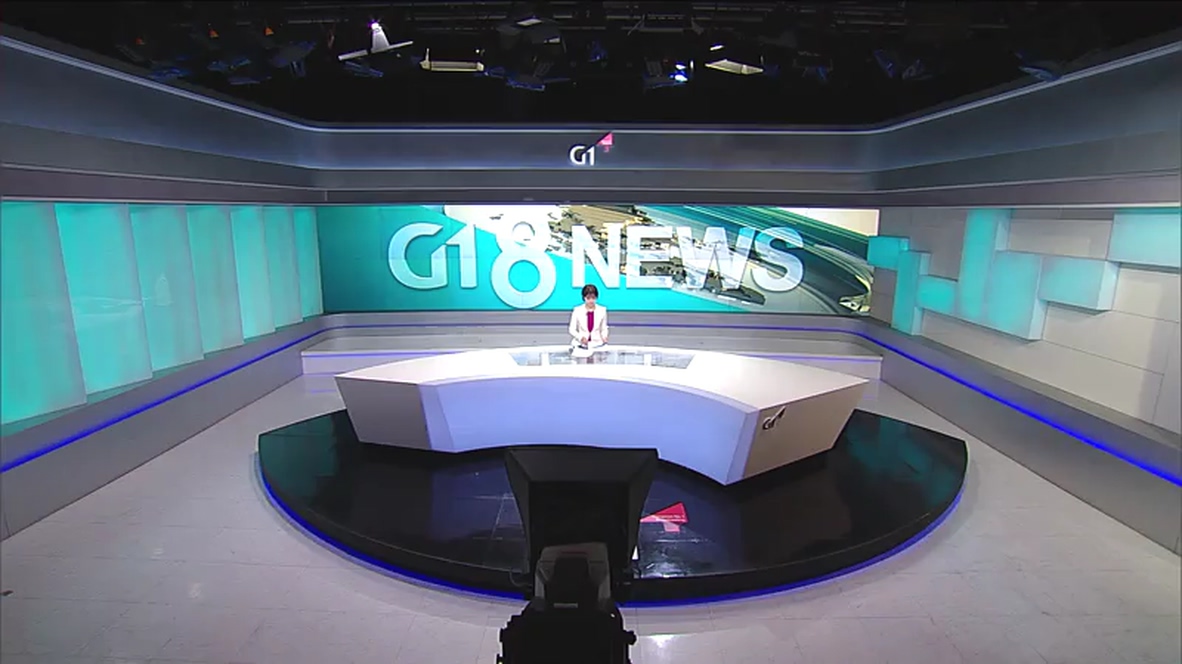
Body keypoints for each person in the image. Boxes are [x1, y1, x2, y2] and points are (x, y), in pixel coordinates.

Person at [569, 284, 609, 349]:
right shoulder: (577, 310)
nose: (591, 300)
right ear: (584, 298)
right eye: (588, 298)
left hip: (597, 344)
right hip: (580, 344)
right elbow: (572, 329)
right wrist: (581, 337)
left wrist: (604, 336)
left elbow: (603, 328)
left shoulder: (602, 310)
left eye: (593, 298)